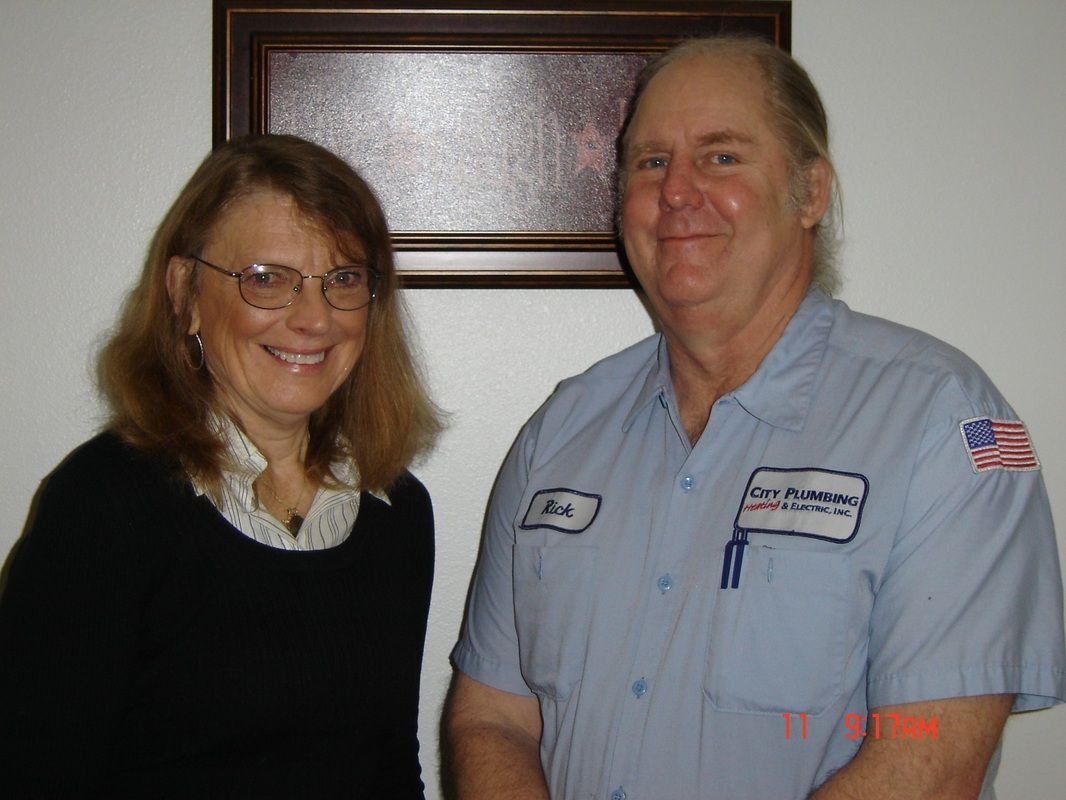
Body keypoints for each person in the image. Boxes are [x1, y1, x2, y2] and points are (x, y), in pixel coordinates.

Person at [443, 36, 1066, 800]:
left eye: (721, 157)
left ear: (810, 192)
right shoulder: (562, 431)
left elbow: (932, 754)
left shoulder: (943, 423)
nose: (676, 191)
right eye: (649, 162)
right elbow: (493, 717)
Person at [0, 134, 441, 797]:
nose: (314, 319)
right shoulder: (103, 504)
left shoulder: (397, 512)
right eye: (267, 279)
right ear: (186, 294)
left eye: (343, 279)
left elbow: (387, 766)